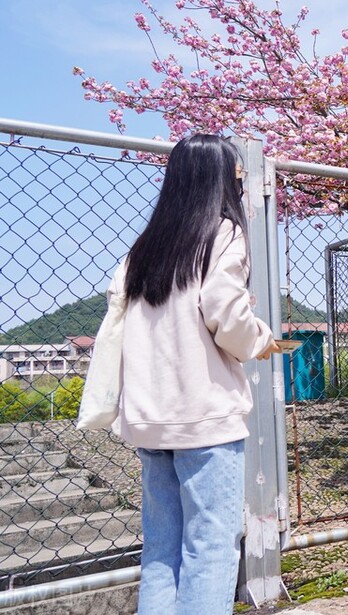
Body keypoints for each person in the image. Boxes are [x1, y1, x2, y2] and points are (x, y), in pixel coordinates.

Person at [106, 133, 279, 614]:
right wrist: (260, 337)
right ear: (219, 179)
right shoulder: (223, 233)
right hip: (202, 416)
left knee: (162, 547)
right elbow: (224, 312)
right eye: (237, 174)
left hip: (149, 417)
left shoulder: (144, 248)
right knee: (212, 545)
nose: (241, 182)